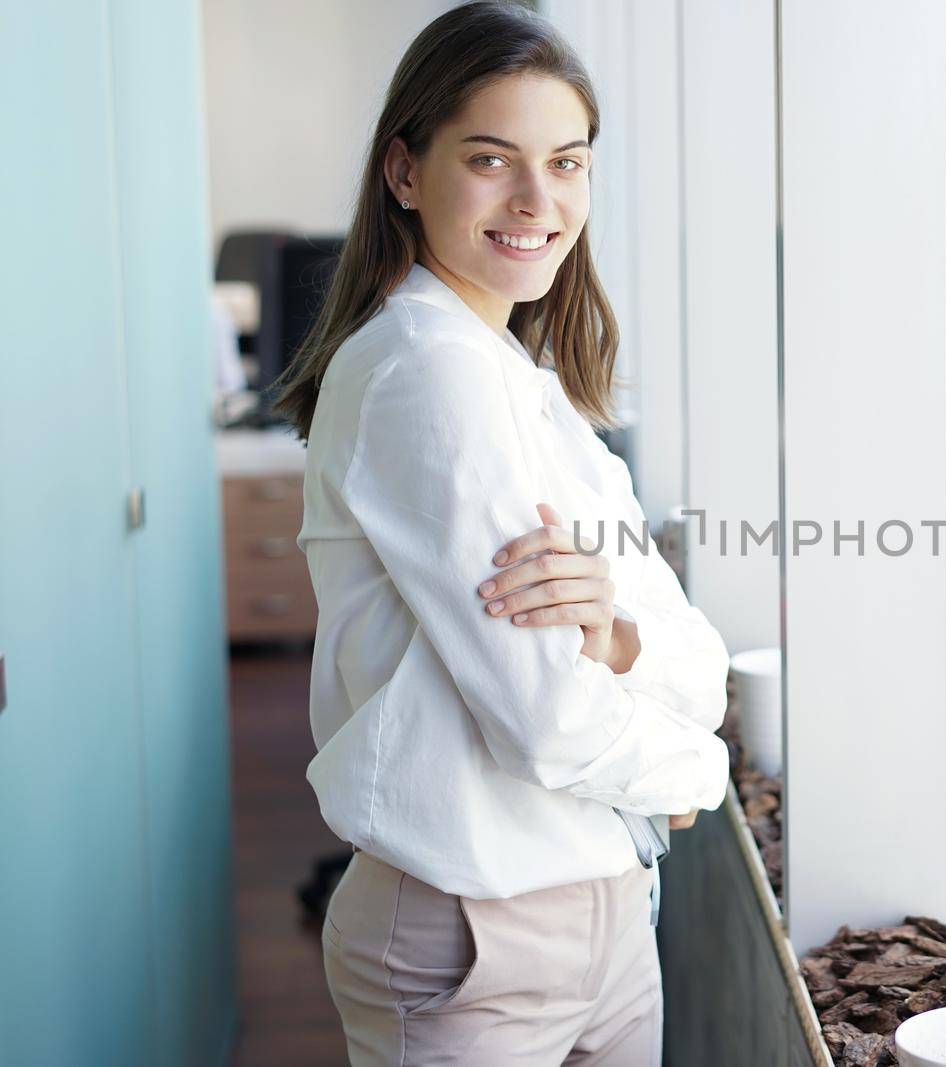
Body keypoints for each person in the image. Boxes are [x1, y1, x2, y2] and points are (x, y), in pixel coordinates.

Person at [269, 3, 732, 1063]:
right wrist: (696, 772)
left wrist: (614, 636)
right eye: (491, 160)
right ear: (404, 171)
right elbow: (549, 721)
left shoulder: (525, 381)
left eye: (566, 162)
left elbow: (690, 657)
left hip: (605, 908)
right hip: (476, 930)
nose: (538, 200)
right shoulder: (426, 374)